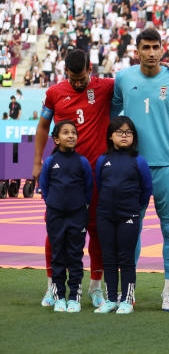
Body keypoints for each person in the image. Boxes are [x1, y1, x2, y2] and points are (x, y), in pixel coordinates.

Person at [111, 28, 169, 310]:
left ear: (163, 50)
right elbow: (112, 117)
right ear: (136, 51)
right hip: (132, 167)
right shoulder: (123, 78)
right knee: (130, 232)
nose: (150, 52)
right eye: (145, 47)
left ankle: (168, 294)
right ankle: (128, 293)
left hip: (166, 167)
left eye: (155, 47)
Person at [34, 49, 113, 308]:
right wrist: (37, 162)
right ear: (65, 71)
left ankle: (95, 287)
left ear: (90, 69)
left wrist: (166, 66)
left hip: (96, 176)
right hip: (63, 177)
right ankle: (52, 288)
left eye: (82, 79)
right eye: (73, 79)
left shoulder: (105, 87)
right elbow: (44, 126)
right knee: (54, 233)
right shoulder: (55, 92)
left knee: (96, 232)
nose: (78, 84)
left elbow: (139, 79)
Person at [93, 117, 152, 315]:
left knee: (126, 258)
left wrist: (134, 209)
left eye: (128, 132)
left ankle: (127, 299)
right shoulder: (103, 160)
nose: (124, 135)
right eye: (120, 132)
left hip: (129, 215)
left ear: (134, 137)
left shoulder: (139, 161)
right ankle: (111, 299)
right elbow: (100, 186)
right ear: (111, 136)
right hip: (105, 215)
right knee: (108, 258)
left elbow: (146, 190)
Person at [38, 120, 94, 313]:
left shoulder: (82, 162)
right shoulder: (50, 162)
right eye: (65, 133)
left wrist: (80, 207)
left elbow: (89, 188)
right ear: (56, 139)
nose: (71, 136)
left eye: (74, 133)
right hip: (55, 215)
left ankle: (74, 298)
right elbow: (44, 188)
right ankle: (59, 296)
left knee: (74, 256)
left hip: (77, 216)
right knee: (57, 256)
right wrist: (54, 204)